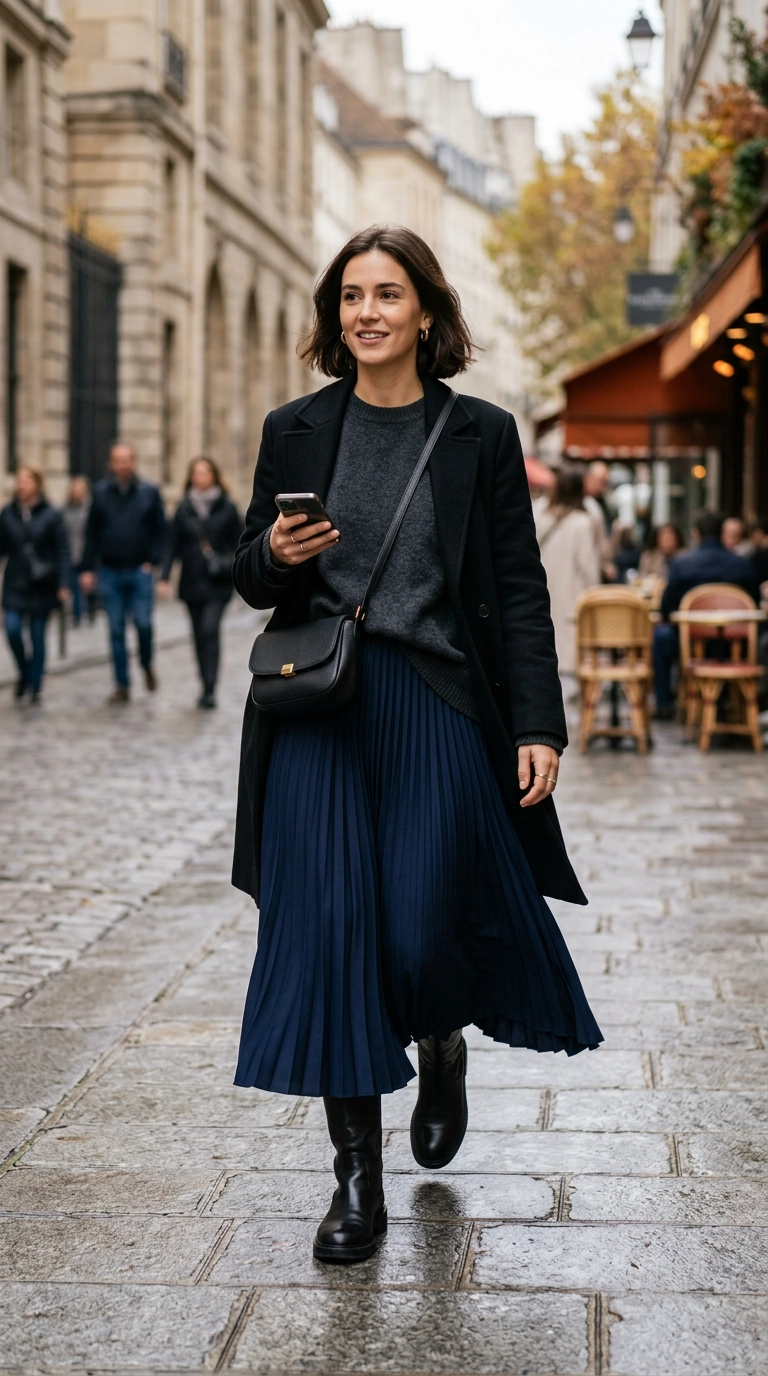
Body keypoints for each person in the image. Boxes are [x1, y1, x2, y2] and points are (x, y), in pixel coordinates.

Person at [231, 224, 602, 1266]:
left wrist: (539, 724)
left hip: (437, 703)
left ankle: (443, 1042)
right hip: (319, 712)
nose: (367, 312)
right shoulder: (296, 427)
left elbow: (518, 590)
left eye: (388, 294)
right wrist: (275, 551)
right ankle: (357, 1177)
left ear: (426, 312)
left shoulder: (480, 433)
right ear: (334, 314)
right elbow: (248, 575)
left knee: (422, 927)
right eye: (352, 295)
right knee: (328, 930)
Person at [652, 510, 761, 719]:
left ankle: (664, 703)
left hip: (690, 643)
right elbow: (754, 604)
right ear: (722, 533)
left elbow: (666, 608)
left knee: (661, 635)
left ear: (696, 534)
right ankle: (734, 701)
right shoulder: (742, 564)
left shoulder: (681, 564)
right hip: (733, 644)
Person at [80, 442, 166, 702]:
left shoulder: (149, 492)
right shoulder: (100, 493)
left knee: (143, 624)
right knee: (116, 630)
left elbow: (161, 531)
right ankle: (122, 684)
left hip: (140, 570)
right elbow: (91, 533)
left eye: (126, 460)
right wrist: (87, 569)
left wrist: (153, 562)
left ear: (134, 462)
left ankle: (146, 663)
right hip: (110, 571)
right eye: (117, 460)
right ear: (111, 464)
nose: (122, 465)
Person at [158, 457, 242, 709]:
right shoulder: (184, 508)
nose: (200, 477)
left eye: (205, 472)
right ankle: (204, 684)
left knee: (209, 630)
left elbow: (240, 543)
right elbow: (171, 545)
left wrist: (233, 564)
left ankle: (211, 687)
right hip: (192, 580)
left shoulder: (227, 507)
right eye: (196, 473)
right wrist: (164, 577)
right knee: (197, 634)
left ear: (214, 476)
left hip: (218, 581)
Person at [0, 466, 70, 703]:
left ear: (38, 485)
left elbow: (62, 550)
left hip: (42, 583)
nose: (22, 485)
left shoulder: (51, 514)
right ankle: (24, 672)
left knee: (38, 635)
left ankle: (35, 685)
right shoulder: (8, 513)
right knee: (12, 630)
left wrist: (63, 583)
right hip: (15, 582)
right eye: (19, 481)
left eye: (27, 481)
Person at [533, 467, 601, 689]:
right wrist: (594, 593)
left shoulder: (539, 514)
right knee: (569, 636)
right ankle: (568, 685)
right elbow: (588, 566)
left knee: (547, 629)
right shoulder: (582, 522)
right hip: (573, 588)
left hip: (543, 584)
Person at [61, 476, 92, 626]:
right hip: (70, 553)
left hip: (86, 553)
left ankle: (89, 609)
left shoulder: (91, 509)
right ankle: (77, 615)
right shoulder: (65, 510)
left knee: (86, 586)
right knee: (74, 586)